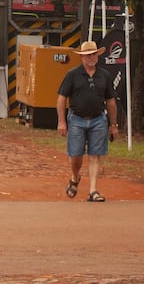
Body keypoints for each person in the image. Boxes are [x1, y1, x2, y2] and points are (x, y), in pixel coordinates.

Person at [56, 40, 119, 202]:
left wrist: (113, 125)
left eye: (93, 54)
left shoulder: (104, 75)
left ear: (98, 55)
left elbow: (111, 101)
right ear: (82, 57)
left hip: (98, 119)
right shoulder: (72, 74)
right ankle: (75, 177)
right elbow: (61, 98)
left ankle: (93, 190)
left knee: (95, 155)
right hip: (77, 119)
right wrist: (61, 121)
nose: (91, 58)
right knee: (76, 155)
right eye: (87, 55)